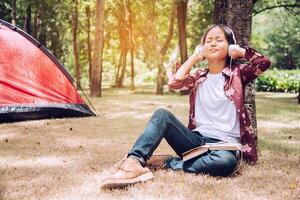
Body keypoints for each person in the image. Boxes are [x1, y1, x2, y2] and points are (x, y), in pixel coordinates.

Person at [100, 24, 271, 189]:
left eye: (219, 40)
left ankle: (169, 163)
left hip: (224, 147)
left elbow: (264, 63)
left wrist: (239, 51)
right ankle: (134, 162)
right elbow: (174, 82)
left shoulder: (238, 74)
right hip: (195, 142)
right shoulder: (199, 77)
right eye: (208, 40)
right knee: (162, 115)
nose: (212, 43)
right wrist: (195, 57)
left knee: (226, 163)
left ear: (229, 45)